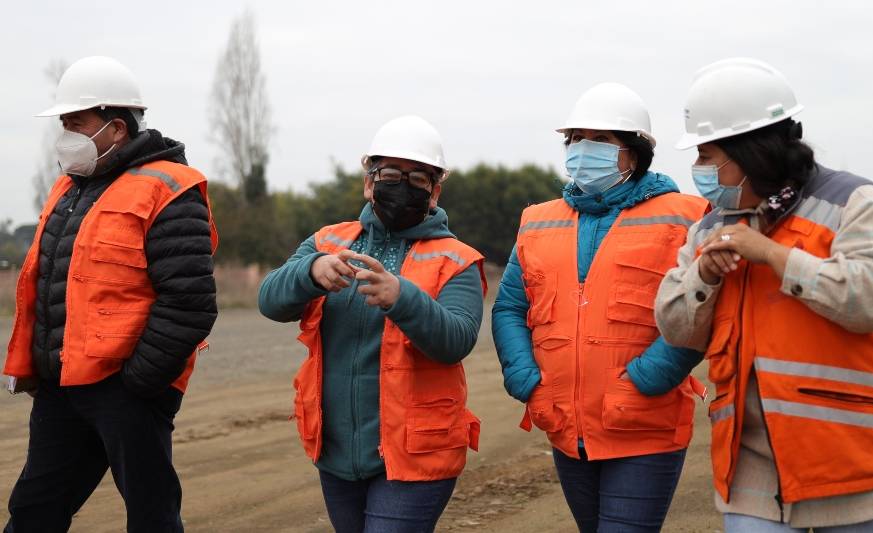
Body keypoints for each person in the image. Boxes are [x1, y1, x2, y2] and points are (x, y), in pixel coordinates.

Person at [656, 57, 873, 532]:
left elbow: (871, 301)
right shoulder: (707, 228)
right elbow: (675, 328)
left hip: (850, 464)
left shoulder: (857, 204)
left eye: (707, 155)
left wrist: (774, 256)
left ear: (751, 152)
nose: (698, 169)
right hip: (749, 469)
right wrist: (704, 276)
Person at [3, 56, 218, 532]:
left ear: (117, 128)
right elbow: (49, 281)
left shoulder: (171, 187)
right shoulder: (68, 187)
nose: (66, 135)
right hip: (62, 387)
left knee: (151, 515)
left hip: (127, 388)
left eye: (75, 123)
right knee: (34, 510)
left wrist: (138, 383)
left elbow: (189, 301)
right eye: (63, 124)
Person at [491, 83, 709, 533]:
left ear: (634, 152)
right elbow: (511, 306)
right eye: (575, 138)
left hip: (644, 423)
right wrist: (525, 379)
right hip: (564, 424)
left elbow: (698, 310)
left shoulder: (686, 216)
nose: (582, 149)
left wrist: (648, 380)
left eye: (601, 140)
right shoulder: (537, 220)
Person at [258, 115, 485, 533]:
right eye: (392, 174)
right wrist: (310, 271)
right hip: (338, 450)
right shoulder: (327, 241)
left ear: (434, 192)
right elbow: (270, 300)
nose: (403, 185)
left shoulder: (457, 259)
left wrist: (402, 298)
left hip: (417, 452)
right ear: (369, 182)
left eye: (418, 178)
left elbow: (456, 339)